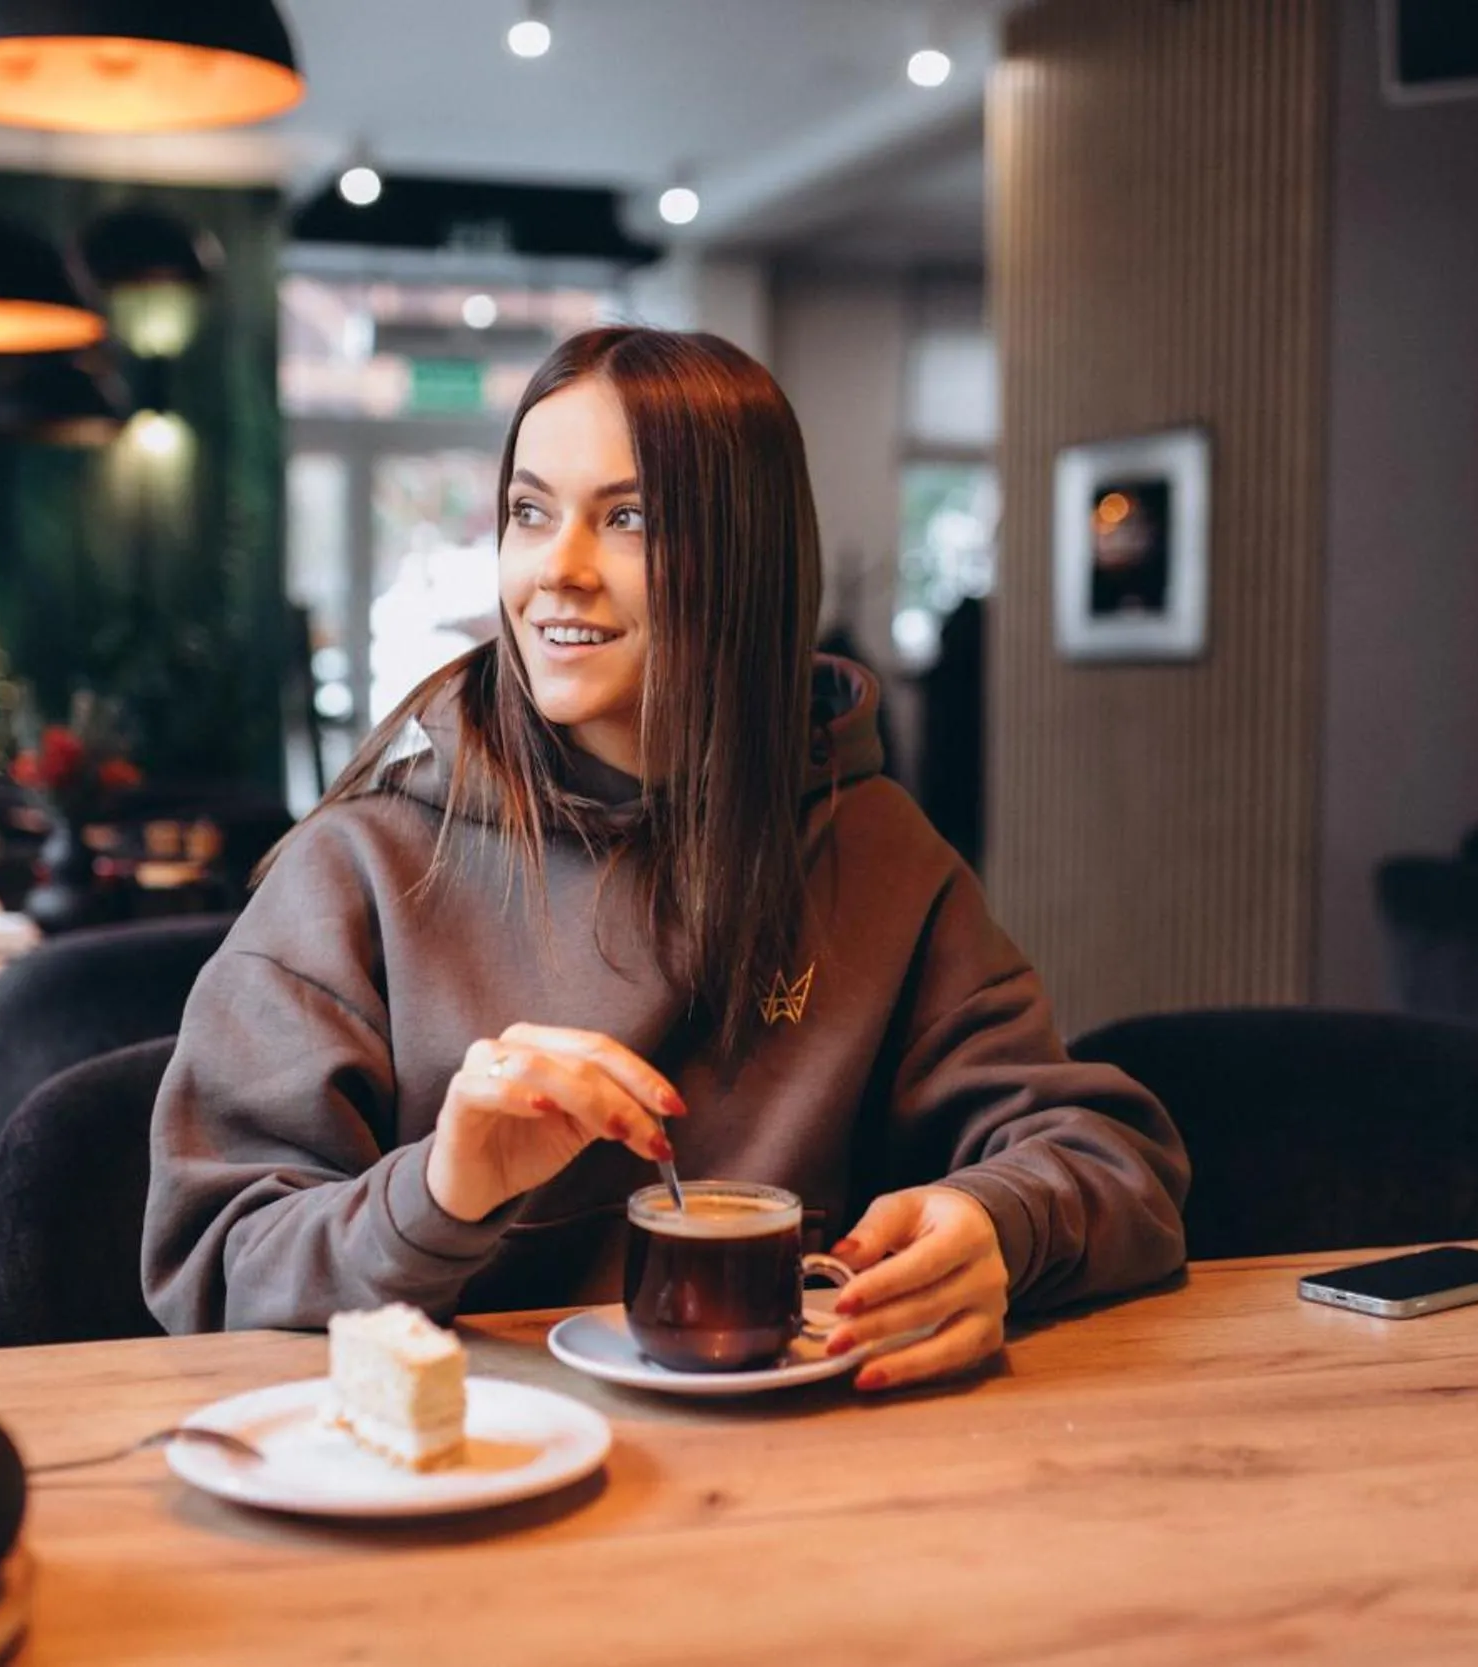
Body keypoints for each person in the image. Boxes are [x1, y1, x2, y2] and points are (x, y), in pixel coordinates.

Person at [143, 327, 1188, 1391]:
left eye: (628, 517)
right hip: (459, 1482)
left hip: (804, 1491)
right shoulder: (363, 865)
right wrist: (439, 1189)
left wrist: (997, 1224)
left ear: (748, 557)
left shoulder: (869, 846)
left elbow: (1111, 1157)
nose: (557, 567)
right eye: (529, 511)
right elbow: (215, 1261)